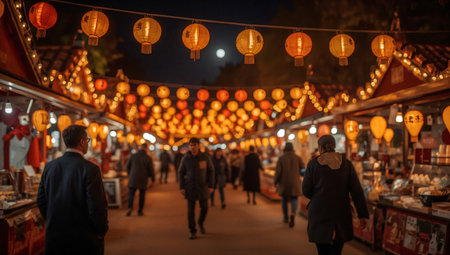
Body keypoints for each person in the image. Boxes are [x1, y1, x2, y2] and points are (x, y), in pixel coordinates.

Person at [37, 125, 108, 255]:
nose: (87, 144)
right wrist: (101, 230)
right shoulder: (90, 169)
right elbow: (96, 205)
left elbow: (41, 200)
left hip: (55, 236)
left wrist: (54, 220)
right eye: (87, 140)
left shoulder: (50, 167)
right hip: (83, 238)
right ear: (82, 142)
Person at [302, 135, 369, 255]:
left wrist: (319, 196)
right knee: (337, 249)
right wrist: (362, 214)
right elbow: (356, 191)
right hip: (341, 212)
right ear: (334, 146)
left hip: (319, 212)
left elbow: (306, 190)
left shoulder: (313, 164)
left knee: (322, 250)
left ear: (320, 148)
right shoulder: (346, 164)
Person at [178, 138, 215, 240]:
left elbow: (211, 171)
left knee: (205, 208)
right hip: (190, 187)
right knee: (191, 211)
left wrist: (211, 185)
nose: (193, 147)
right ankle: (192, 230)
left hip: (203, 187)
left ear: (199, 146)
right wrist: (182, 187)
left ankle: (201, 222)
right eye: (191, 145)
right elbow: (181, 172)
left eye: (194, 145)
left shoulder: (204, 157)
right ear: (189, 146)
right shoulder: (186, 158)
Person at [274, 142, 304, 228]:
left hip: (284, 182)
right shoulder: (298, 158)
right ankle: (293, 213)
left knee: (284, 199)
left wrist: (275, 181)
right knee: (294, 198)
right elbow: (302, 170)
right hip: (295, 182)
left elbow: (278, 172)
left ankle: (286, 217)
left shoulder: (281, 158)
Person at [126, 144, 155, 216]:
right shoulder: (148, 158)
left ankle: (130, 207)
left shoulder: (133, 156)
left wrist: (130, 174)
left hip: (133, 178)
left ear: (140, 148)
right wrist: (152, 178)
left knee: (131, 194)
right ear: (146, 149)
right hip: (143, 178)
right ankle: (140, 211)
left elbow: (127, 166)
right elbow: (151, 169)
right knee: (142, 195)